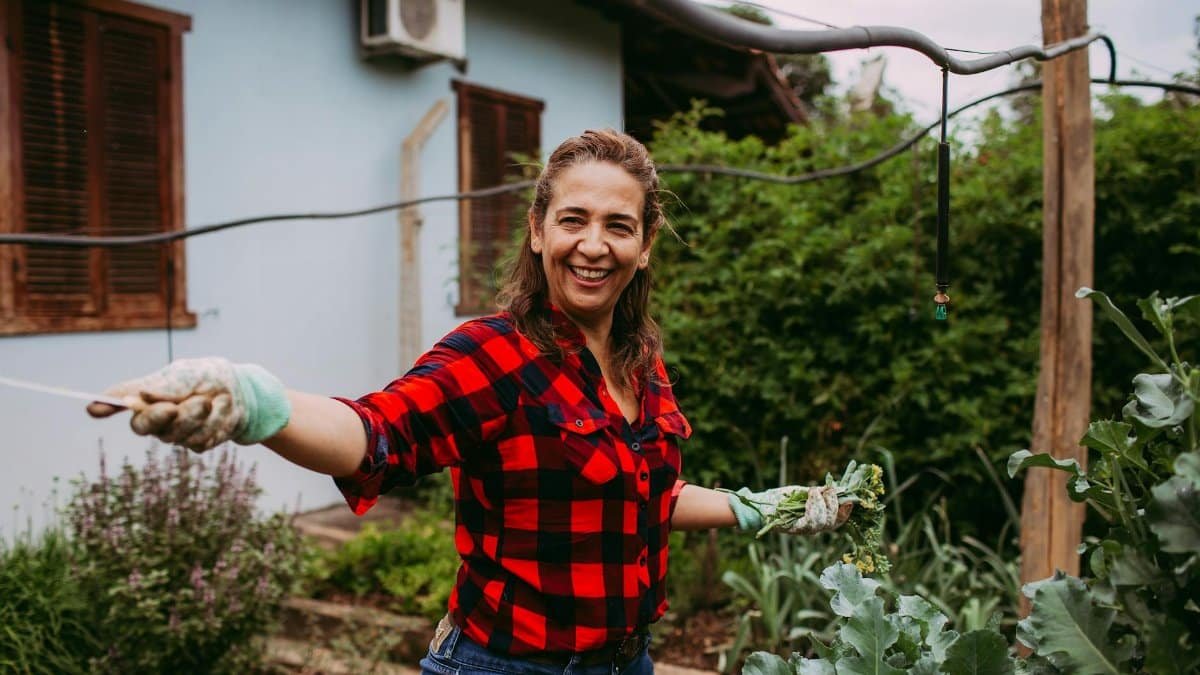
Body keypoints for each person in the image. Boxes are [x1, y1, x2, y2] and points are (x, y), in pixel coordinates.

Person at [88, 129, 848, 674]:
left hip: (629, 662)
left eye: (618, 225)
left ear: (645, 243)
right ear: (538, 230)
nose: (593, 244)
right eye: (573, 219)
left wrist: (766, 505)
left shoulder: (641, 362)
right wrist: (259, 402)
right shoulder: (495, 353)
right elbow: (376, 431)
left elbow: (644, 490)